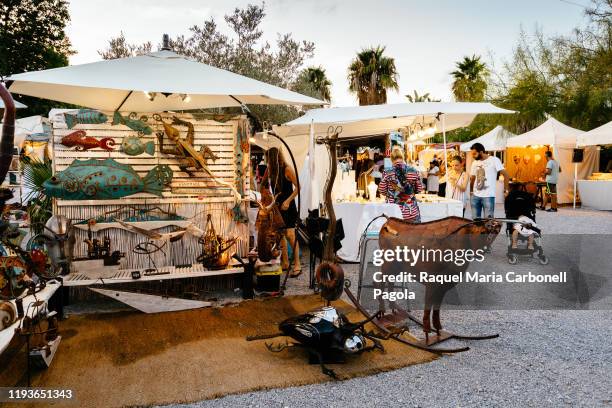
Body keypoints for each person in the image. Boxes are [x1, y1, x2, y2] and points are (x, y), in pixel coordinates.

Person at [263, 147, 301, 277]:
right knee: (281, 235)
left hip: (288, 207)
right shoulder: (271, 171)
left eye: (268, 158)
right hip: (277, 207)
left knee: (290, 235)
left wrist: (288, 201)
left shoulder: (287, 169)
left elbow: (298, 187)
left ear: (273, 158)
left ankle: (297, 264)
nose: (266, 161)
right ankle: (285, 262)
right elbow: (263, 186)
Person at [378, 146, 424, 222]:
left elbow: (382, 190)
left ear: (391, 159)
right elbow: (419, 189)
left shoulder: (387, 172)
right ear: (402, 157)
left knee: (394, 233)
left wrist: (391, 193)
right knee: (413, 232)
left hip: (393, 212)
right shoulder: (413, 171)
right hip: (411, 212)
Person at [469, 142, 510, 219]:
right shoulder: (475, 162)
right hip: (475, 196)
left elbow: (506, 175)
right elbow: (472, 178)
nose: (473, 156)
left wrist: (506, 190)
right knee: (475, 221)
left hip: (488, 196)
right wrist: (471, 192)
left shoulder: (494, 160)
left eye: (474, 154)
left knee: (488, 222)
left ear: (481, 152)